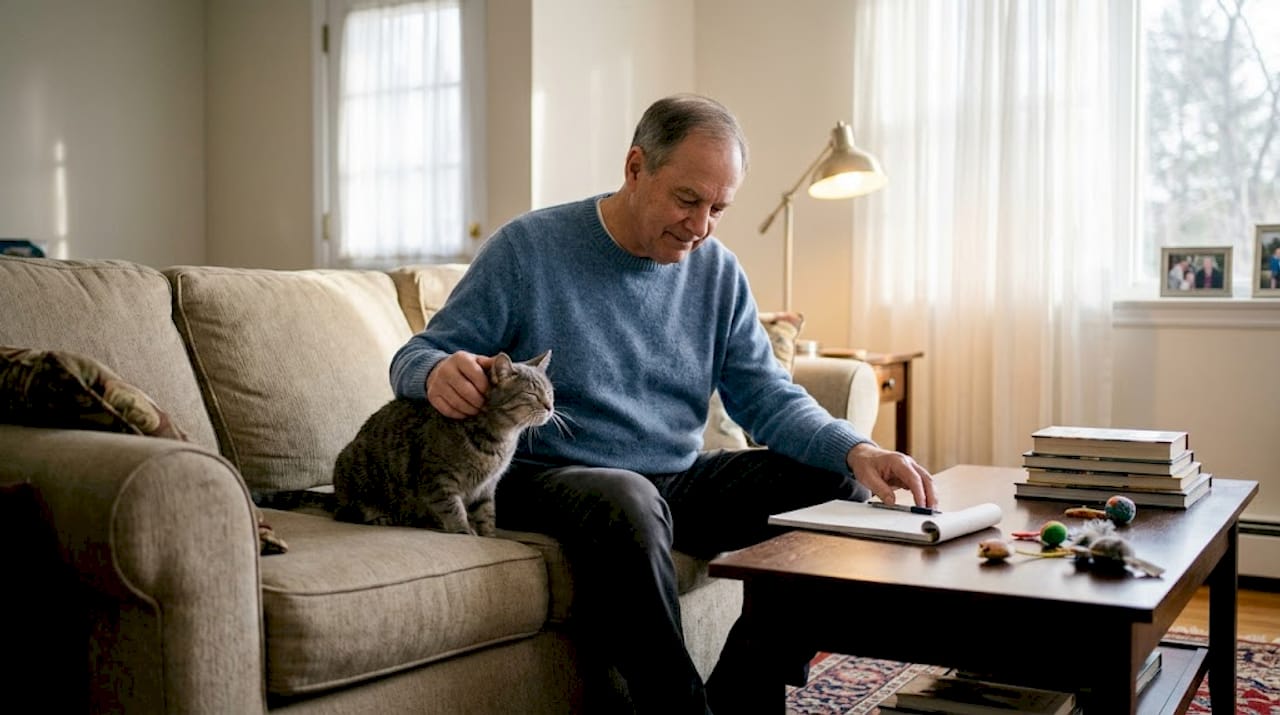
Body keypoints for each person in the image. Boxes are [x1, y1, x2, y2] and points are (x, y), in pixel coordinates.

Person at [389, 93, 935, 714]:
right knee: (627, 496)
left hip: (672, 479)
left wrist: (857, 447)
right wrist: (435, 371)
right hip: (552, 478)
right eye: (687, 200)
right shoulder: (531, 248)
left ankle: (741, 693)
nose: (701, 227)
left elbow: (766, 395)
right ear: (635, 168)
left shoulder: (717, 272)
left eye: (718, 209)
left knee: (839, 486)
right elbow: (416, 354)